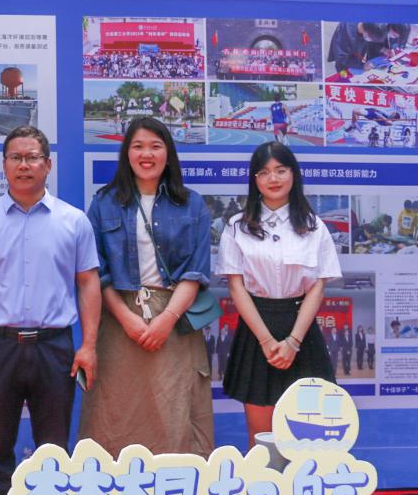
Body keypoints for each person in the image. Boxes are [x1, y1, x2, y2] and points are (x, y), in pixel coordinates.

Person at [0, 126, 100, 495]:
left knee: (53, 448)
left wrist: (88, 344)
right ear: (4, 165)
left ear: (48, 165)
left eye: (32, 157)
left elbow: (88, 281)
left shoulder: (73, 221)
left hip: (55, 347)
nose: (24, 165)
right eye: (15, 158)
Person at [79, 116, 214, 458]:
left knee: (175, 410)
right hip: (119, 322)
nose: (146, 154)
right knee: (114, 413)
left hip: (175, 322)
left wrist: (166, 318)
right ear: (127, 153)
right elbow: (96, 272)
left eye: (155, 146)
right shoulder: (104, 203)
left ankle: (177, 484)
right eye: (138, 146)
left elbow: (195, 271)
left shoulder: (192, 204)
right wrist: (126, 318)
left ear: (168, 153)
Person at [217, 141, 340, 444]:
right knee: (260, 435)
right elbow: (235, 285)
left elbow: (317, 286)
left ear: (293, 174)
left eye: (281, 170)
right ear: (255, 179)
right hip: (257, 329)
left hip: (300, 330)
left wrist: (294, 342)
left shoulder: (314, 227)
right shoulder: (236, 226)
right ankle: (261, 478)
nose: (273, 178)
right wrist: (267, 341)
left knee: (308, 434)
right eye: (264, 172)